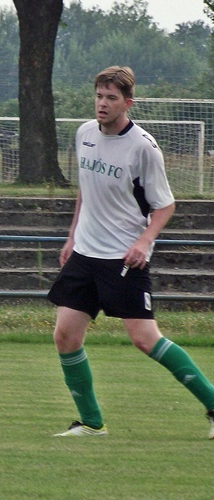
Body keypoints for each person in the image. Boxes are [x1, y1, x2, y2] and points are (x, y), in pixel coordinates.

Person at [48, 66, 214, 438]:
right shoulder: (84, 133)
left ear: (128, 103)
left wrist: (144, 242)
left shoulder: (143, 147)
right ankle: (92, 423)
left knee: (144, 339)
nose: (102, 104)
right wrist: (72, 235)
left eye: (111, 98)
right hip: (86, 254)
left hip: (123, 257)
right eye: (99, 96)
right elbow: (85, 190)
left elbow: (165, 206)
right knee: (65, 336)